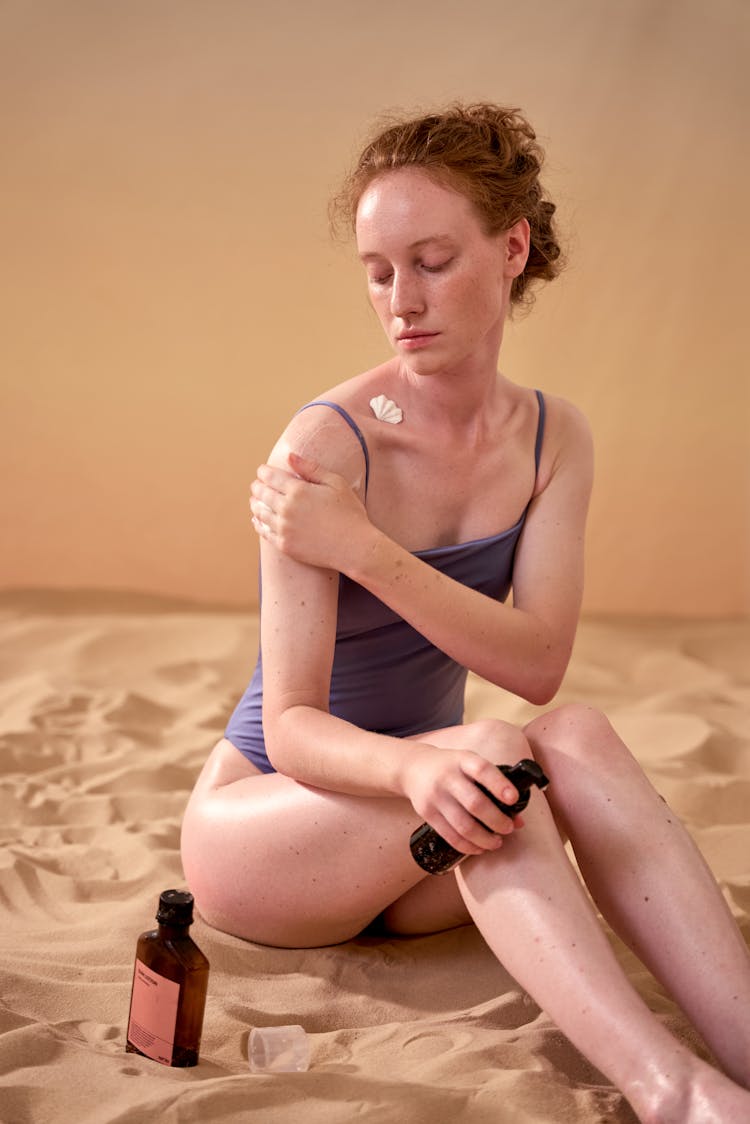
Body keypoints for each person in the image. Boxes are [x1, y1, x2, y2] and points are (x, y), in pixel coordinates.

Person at [180, 104, 750, 1121]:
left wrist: (366, 550)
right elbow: (298, 727)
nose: (401, 299)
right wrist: (420, 764)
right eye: (378, 268)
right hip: (273, 830)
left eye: (432, 259)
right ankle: (675, 1092)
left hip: (432, 838)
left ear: (512, 248)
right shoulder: (322, 449)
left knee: (566, 734)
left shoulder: (553, 439)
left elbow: (539, 665)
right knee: (490, 755)